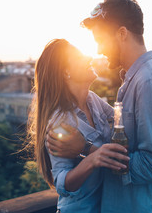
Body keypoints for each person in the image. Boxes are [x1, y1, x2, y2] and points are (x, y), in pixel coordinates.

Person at [46, 0, 152, 212]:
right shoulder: (133, 82)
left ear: (122, 33)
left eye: (101, 40)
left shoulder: (151, 83)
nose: (98, 50)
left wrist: (86, 149)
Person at [27, 39, 129, 213]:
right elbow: (61, 183)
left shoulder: (93, 100)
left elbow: (124, 123)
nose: (88, 57)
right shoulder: (59, 123)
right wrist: (91, 160)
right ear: (66, 72)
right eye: (79, 57)